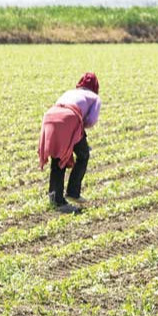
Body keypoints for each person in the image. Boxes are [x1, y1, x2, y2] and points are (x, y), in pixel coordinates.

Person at [38, 73, 101, 213]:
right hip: (69, 118)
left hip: (50, 116)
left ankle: (55, 198)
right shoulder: (95, 98)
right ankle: (72, 192)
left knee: (58, 157)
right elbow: (91, 120)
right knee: (83, 154)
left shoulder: (70, 92)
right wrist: (77, 135)